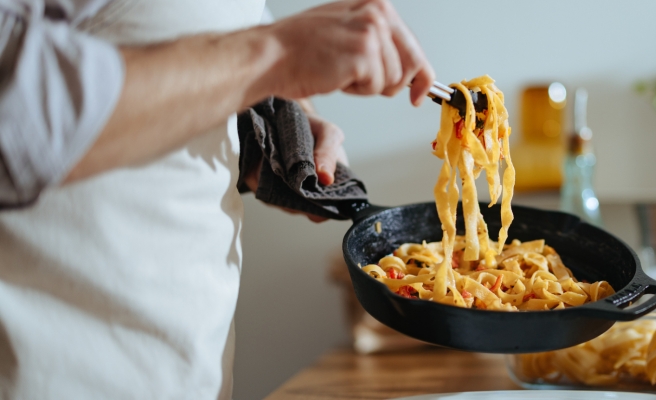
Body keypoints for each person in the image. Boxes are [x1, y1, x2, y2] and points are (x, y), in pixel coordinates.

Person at [0, 0, 434, 397]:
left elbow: (170, 31)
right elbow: (16, 111)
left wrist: (274, 124)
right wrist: (276, 54)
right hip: (52, 373)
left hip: (190, 372)